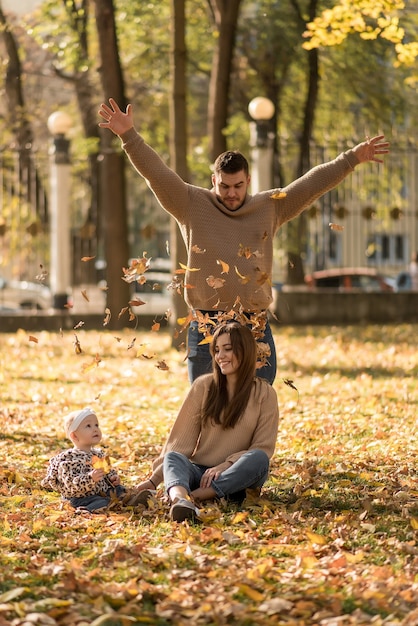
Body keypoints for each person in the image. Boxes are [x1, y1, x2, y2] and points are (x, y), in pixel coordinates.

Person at [98, 98, 390, 384]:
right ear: (214, 180)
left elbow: (310, 184)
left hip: (254, 323)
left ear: (248, 181)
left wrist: (351, 158)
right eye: (224, 186)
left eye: (238, 186)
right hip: (206, 324)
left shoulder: (269, 207)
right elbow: (157, 174)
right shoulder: (190, 203)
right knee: (205, 404)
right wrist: (128, 135)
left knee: (259, 399)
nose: (232, 193)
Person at [135, 321, 280, 522]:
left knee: (258, 459)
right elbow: (179, 443)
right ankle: (179, 500)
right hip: (200, 474)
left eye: (227, 349)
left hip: (237, 478)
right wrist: (153, 481)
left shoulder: (265, 393)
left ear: (245, 351)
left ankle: (192, 498)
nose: (220, 356)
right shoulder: (203, 386)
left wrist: (224, 466)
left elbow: (263, 448)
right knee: (174, 456)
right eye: (217, 350)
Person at [41, 407, 154, 513]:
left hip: (102, 492)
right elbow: (71, 486)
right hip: (81, 498)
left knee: (120, 490)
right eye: (88, 426)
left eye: (96, 425)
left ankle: (132, 500)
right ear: (74, 436)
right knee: (101, 502)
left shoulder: (98, 454)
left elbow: (107, 472)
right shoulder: (69, 461)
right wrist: (90, 478)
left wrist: (113, 478)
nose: (95, 429)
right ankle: (84, 510)